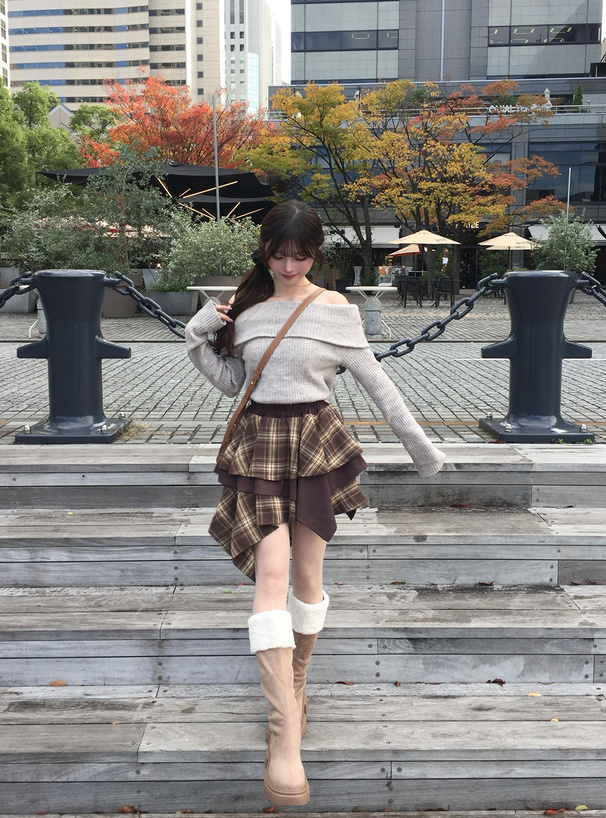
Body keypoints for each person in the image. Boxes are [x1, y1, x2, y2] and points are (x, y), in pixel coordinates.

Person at [184, 200, 445, 807]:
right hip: (259, 446)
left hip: (315, 445)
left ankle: (297, 685)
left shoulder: (336, 310)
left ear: (315, 254)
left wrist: (423, 450)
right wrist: (197, 337)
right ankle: (283, 735)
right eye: (279, 254)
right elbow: (235, 383)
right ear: (264, 251)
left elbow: (379, 384)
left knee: (307, 578)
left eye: (300, 256)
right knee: (271, 576)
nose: (289, 266)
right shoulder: (244, 309)